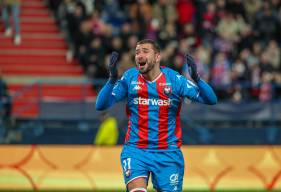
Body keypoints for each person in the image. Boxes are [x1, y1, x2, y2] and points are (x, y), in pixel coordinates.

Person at [95, 39, 217, 192]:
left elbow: (211, 99)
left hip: (167, 152)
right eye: (137, 52)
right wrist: (112, 79)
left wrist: (197, 79)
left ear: (157, 57)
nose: (139, 55)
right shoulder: (130, 77)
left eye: (145, 51)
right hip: (136, 150)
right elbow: (101, 105)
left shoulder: (174, 79)